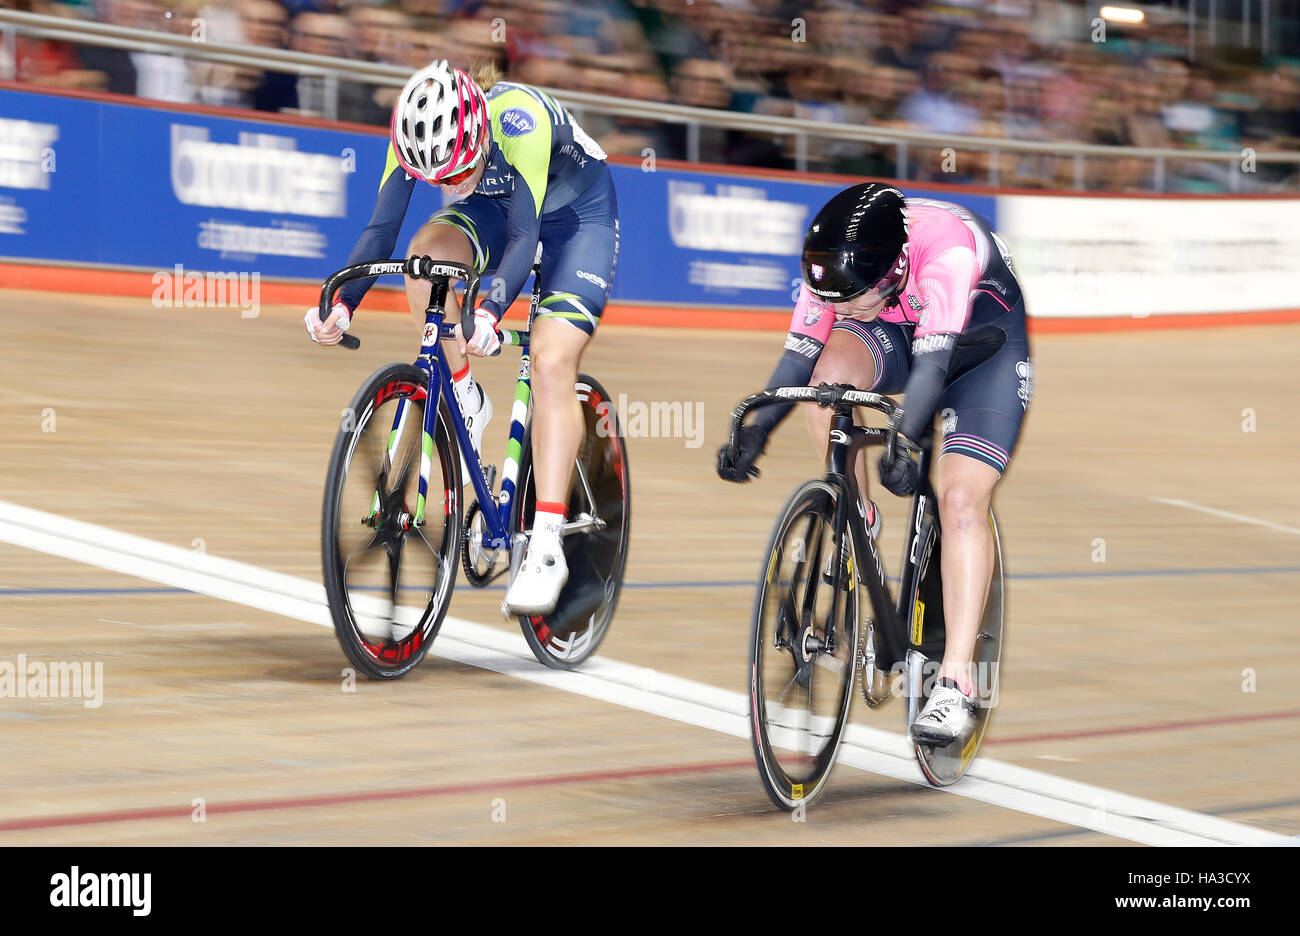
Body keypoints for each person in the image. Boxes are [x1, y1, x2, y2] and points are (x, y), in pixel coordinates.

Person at [716, 183, 1032, 742]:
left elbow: (933, 373)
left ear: (892, 271)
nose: (834, 309)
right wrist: (756, 431)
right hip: (898, 328)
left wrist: (906, 440)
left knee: (961, 498)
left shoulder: (946, 256)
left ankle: (956, 681)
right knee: (826, 388)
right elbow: (799, 356)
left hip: (983, 349)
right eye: (830, 298)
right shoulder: (839, 267)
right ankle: (857, 513)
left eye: (848, 298)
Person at [304, 60, 619, 617]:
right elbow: (383, 231)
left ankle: (547, 544)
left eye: (457, 171)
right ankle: (464, 397)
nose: (448, 187)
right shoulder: (412, 139)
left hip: (576, 218)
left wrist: (492, 311)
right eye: (438, 179)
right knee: (424, 263)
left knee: (549, 362)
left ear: (477, 132)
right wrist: (341, 304)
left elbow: (526, 236)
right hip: (498, 207)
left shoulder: (517, 122)